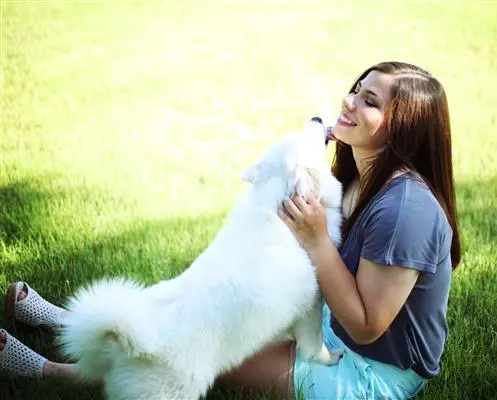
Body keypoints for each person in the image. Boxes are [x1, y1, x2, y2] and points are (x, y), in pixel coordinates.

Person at [0, 61, 461, 399]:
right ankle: (69, 321)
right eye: (356, 89)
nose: (348, 100)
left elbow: (365, 327)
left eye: (369, 100)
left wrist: (316, 239)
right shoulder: (361, 177)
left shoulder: (406, 210)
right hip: (330, 326)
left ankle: (53, 371)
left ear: (403, 126)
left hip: (367, 372)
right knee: (205, 307)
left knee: (192, 350)